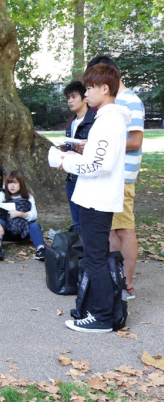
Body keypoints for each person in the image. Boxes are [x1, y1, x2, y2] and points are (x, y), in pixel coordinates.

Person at [61, 63, 129, 333]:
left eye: (89, 88)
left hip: (96, 199)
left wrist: (65, 161)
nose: (85, 93)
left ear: (105, 88)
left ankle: (101, 317)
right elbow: (98, 158)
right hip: (95, 197)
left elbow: (99, 165)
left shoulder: (109, 121)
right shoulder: (107, 119)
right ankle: (99, 311)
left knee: (95, 259)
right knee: (94, 256)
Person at [86, 55, 144, 300]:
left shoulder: (129, 100)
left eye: (92, 83)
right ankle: (113, 280)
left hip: (122, 177)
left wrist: (103, 145)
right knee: (112, 231)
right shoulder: (114, 102)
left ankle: (125, 286)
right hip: (111, 175)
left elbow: (136, 140)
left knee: (123, 230)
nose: (89, 90)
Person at [62, 81, 95, 233]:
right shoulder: (71, 123)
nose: (70, 101)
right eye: (68, 97)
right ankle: (81, 254)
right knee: (77, 223)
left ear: (84, 98)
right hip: (71, 178)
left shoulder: (94, 122)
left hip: (87, 179)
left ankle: (89, 255)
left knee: (88, 224)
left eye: (74, 96)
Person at [0, 171, 44, 261]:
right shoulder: (1, 195)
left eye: (15, 183)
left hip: (23, 232)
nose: (12, 186)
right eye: (9, 183)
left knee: (35, 225)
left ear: (21, 184)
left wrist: (20, 214)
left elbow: (34, 215)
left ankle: (41, 249)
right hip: (6, 232)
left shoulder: (28, 196)